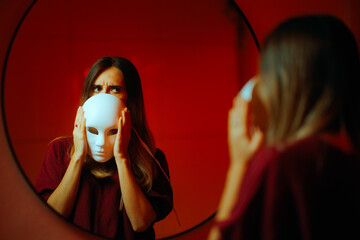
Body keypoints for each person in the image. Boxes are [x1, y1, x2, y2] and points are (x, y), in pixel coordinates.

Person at [209, 15, 360, 240]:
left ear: (286, 83)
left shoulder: (282, 163)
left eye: (268, 74)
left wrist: (239, 164)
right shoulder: (347, 157)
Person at [35, 56, 173, 239]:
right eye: (97, 88)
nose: (104, 96)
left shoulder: (152, 158)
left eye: (115, 89)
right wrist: (77, 157)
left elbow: (140, 223)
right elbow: (52, 216)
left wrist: (122, 158)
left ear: (130, 98)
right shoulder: (59, 152)